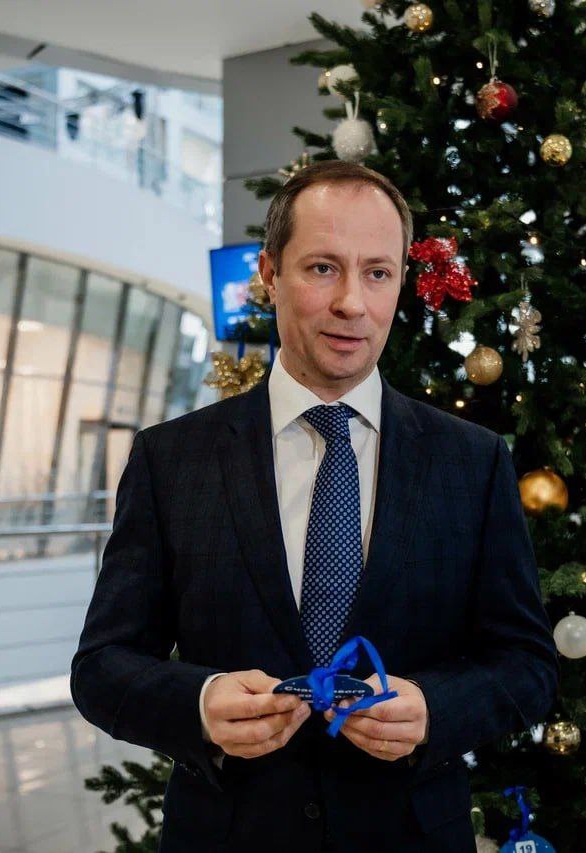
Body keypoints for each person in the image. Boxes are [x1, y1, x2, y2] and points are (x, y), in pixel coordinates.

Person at [70, 160, 558, 851]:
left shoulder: (472, 461)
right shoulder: (171, 459)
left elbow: (527, 663)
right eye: (323, 268)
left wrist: (435, 709)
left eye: (378, 273)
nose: (352, 303)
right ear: (269, 274)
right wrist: (200, 704)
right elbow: (102, 666)